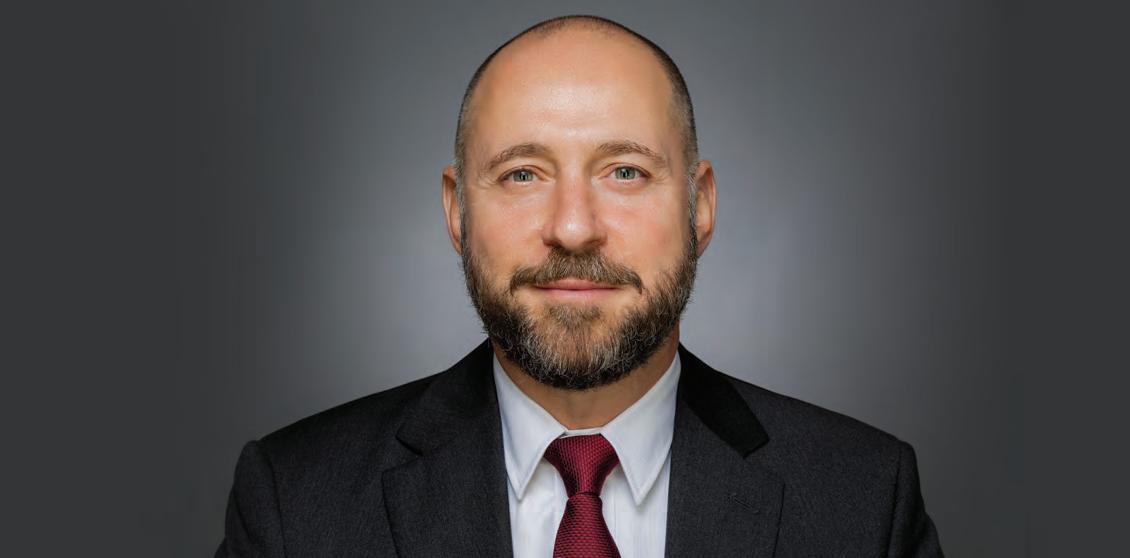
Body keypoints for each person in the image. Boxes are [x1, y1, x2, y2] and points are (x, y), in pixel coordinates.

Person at [216, 14, 943, 558]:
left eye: (625, 171)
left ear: (699, 207)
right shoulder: (293, 504)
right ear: (457, 212)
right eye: (522, 174)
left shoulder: (862, 502)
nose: (572, 228)